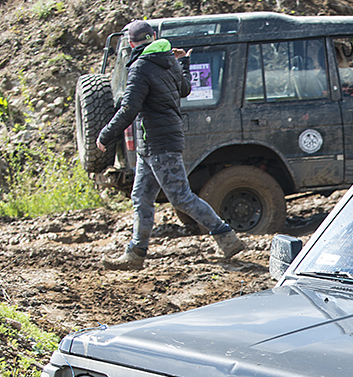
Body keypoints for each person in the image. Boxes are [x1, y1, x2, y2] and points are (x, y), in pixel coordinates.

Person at [97, 19, 245, 270]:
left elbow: (129, 108)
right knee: (141, 197)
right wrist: (184, 61)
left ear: (131, 43)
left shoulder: (141, 67)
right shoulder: (169, 62)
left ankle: (226, 237)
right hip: (151, 145)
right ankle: (135, 254)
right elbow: (185, 89)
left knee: (181, 197)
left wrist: (105, 136)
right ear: (152, 36)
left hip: (159, 143)